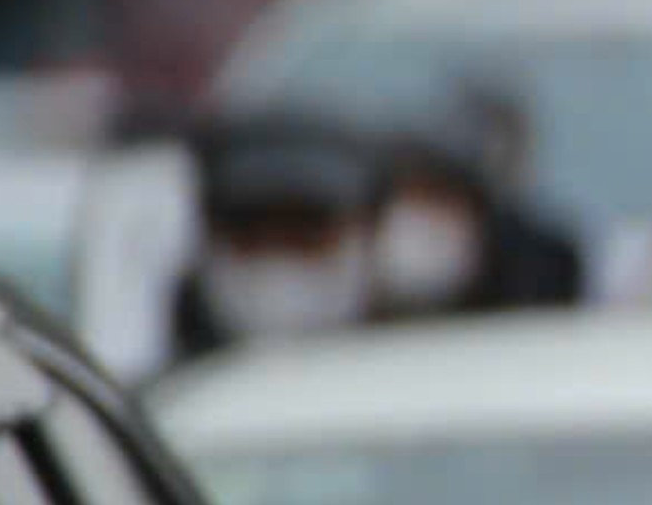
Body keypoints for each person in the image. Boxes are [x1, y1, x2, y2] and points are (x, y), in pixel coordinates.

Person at [168, 108, 393, 359]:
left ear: (368, 233)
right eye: (251, 238)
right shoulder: (171, 379)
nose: (278, 264)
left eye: (305, 237)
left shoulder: (414, 368)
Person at [369, 90, 589, 318]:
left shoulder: (538, 269)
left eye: (440, 198)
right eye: (416, 196)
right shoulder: (359, 286)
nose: (425, 225)